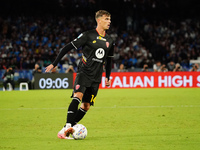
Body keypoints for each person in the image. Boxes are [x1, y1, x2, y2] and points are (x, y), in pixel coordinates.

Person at [45, 10, 114, 139]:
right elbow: (67, 47)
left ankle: (66, 129)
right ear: (99, 20)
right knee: (77, 96)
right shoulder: (87, 35)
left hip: (96, 77)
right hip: (84, 72)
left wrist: (108, 77)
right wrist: (54, 64)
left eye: (110, 19)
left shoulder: (110, 40)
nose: (109, 21)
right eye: (106, 19)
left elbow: (109, 60)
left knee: (86, 106)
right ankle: (67, 126)